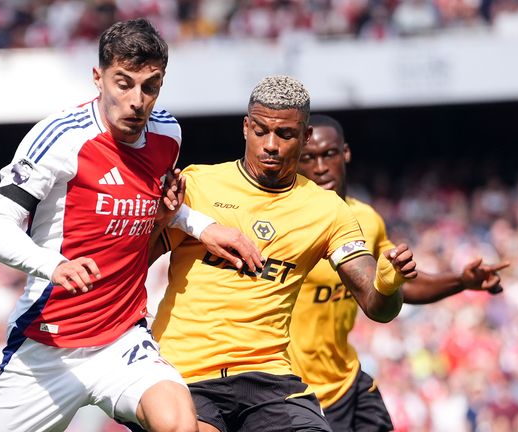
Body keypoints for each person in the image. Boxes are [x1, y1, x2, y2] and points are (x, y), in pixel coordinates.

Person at [0, 18, 260, 432]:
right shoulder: (61, 137)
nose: (137, 100)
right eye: (123, 83)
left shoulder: (167, 133)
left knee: (181, 422)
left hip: (122, 339)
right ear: (98, 78)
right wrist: (51, 265)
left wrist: (200, 225)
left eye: (150, 86)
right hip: (46, 344)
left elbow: (149, 206)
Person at [149, 75, 418, 432]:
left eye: (286, 135)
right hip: (185, 372)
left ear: (305, 137)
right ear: (246, 128)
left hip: (269, 379)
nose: (271, 145)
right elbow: (133, 262)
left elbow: (378, 306)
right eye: (261, 131)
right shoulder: (199, 185)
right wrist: (161, 222)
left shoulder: (327, 211)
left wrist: (388, 280)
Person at [289, 113, 510, 432]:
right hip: (298, 391)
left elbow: (399, 285)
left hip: (347, 381)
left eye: (329, 154)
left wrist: (461, 281)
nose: (321, 167)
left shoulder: (367, 219)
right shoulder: (287, 221)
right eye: (308, 158)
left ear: (345, 153)